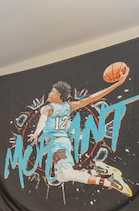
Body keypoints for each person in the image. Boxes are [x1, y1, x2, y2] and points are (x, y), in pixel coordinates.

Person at [27, 65, 132, 196]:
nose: (49, 94)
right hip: (60, 143)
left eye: (52, 92)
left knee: (66, 173)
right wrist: (117, 84)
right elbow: (92, 98)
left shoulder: (47, 108)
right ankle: (97, 171)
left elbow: (42, 119)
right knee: (62, 176)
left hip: (58, 143)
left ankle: (108, 181)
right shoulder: (69, 106)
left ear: (59, 95)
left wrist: (37, 133)